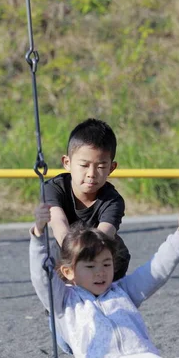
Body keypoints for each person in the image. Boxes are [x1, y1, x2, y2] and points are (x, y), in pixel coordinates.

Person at [30, 203, 179, 358]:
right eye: (90, 266)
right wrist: (38, 235)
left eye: (106, 264)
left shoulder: (123, 291)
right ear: (68, 271)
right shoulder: (65, 302)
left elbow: (155, 270)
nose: (100, 272)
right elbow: (42, 277)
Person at [44, 118, 130, 280]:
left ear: (112, 168)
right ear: (67, 163)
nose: (91, 173)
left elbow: (103, 237)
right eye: (84, 165)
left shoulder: (113, 201)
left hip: (106, 263)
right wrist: (74, 257)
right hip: (68, 255)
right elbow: (58, 222)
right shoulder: (54, 188)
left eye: (101, 166)